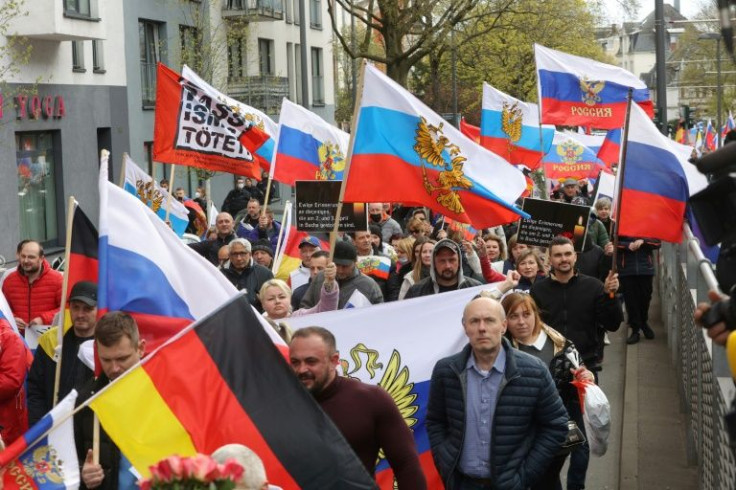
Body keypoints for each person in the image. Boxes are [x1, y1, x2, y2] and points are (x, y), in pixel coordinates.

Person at [425, 295, 568, 489]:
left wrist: (525, 475)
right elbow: (436, 421)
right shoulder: (446, 371)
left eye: (489, 320)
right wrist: (445, 461)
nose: (482, 328)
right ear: (465, 326)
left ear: (503, 325)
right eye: (474, 321)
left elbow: (556, 425)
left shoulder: (534, 371)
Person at [530, 236, 622, 490]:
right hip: (548, 377)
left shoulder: (593, 287)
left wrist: (611, 295)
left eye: (567, 254)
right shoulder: (538, 290)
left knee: (581, 440)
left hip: (585, 374)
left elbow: (613, 323)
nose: (563, 259)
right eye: (558, 255)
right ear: (550, 259)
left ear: (575, 256)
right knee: (553, 440)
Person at [289, 327, 427, 488]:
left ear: (334, 360)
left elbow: (406, 466)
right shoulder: (279, 404)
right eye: (295, 362)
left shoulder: (371, 399)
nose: (302, 369)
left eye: (311, 361)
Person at [501, 293, 596, 490]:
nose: (521, 322)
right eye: (513, 316)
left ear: (536, 314)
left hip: (557, 432)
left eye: (526, 314)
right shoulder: (501, 350)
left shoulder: (561, 344)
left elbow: (582, 370)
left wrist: (587, 376)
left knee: (545, 480)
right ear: (504, 321)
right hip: (522, 436)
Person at [75, 311, 146, 490]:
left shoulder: (164, 394)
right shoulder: (87, 399)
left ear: (141, 348)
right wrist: (84, 472)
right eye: (106, 360)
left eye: (122, 359)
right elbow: (69, 459)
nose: (114, 368)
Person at [27, 281, 97, 425]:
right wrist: (39, 427)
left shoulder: (107, 345)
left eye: (87, 309)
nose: (80, 314)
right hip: (55, 429)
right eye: (75, 307)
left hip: (91, 433)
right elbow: (35, 389)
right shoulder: (52, 342)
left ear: (98, 310)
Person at [259, 267, 339, 341]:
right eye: (271, 299)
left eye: (282, 297)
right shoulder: (258, 325)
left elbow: (325, 310)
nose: (277, 301)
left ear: (290, 299)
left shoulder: (301, 316)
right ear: (263, 304)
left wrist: (329, 284)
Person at [2, 240, 63, 335]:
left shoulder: (57, 279)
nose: (26, 261)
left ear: (41, 258)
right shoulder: (9, 281)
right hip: (18, 339)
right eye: (23, 256)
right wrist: (12, 319)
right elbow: (3, 309)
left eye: (31, 257)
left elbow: (66, 309)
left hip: (48, 338)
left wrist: (43, 319)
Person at [300, 241, 383, 309]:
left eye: (345, 266)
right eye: (337, 265)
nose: (340, 270)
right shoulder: (320, 278)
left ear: (355, 262)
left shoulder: (369, 286)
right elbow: (305, 306)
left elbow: (378, 315)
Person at [404, 239, 493, 299]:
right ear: (434, 263)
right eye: (442, 261)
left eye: (452, 260)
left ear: (459, 262)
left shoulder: (475, 289)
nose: (447, 266)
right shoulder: (417, 292)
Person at [618, 236, 661, 344]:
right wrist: (628, 246)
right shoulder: (621, 222)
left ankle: (643, 322)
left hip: (646, 269)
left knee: (645, 298)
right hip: (627, 269)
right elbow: (613, 243)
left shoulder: (648, 223)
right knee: (631, 301)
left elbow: (657, 243)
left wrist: (643, 242)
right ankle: (635, 329)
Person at [221, 238, 274, 311]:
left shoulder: (264, 273)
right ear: (229, 256)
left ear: (249, 254)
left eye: (242, 253)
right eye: (235, 254)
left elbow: (272, 303)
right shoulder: (221, 274)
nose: (239, 258)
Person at [355, 228, 400, 301]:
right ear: (354, 241)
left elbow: (393, 291)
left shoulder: (386, 261)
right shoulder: (350, 263)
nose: (366, 240)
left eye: (368, 236)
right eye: (361, 238)